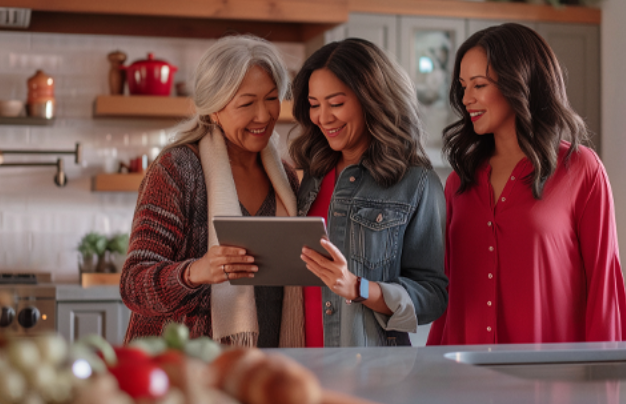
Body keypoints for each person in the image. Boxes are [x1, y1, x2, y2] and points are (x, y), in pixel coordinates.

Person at [427, 23, 626, 345]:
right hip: (464, 379)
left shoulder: (580, 170)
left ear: (519, 83)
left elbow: (604, 286)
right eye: (463, 86)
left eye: (478, 84)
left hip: (551, 381)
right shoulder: (458, 183)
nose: (466, 98)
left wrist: (604, 380)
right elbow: (447, 296)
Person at [120, 35, 304, 348]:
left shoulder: (285, 178)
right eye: (247, 103)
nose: (264, 115)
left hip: (267, 365)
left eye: (272, 98)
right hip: (184, 367)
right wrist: (196, 271)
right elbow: (133, 285)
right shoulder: (177, 170)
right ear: (214, 110)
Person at [290, 38, 448, 347]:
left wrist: (357, 288)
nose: (323, 117)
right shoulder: (311, 174)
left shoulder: (416, 181)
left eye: (336, 103)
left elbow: (432, 295)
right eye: (314, 105)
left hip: (371, 370)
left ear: (371, 99)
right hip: (299, 362)